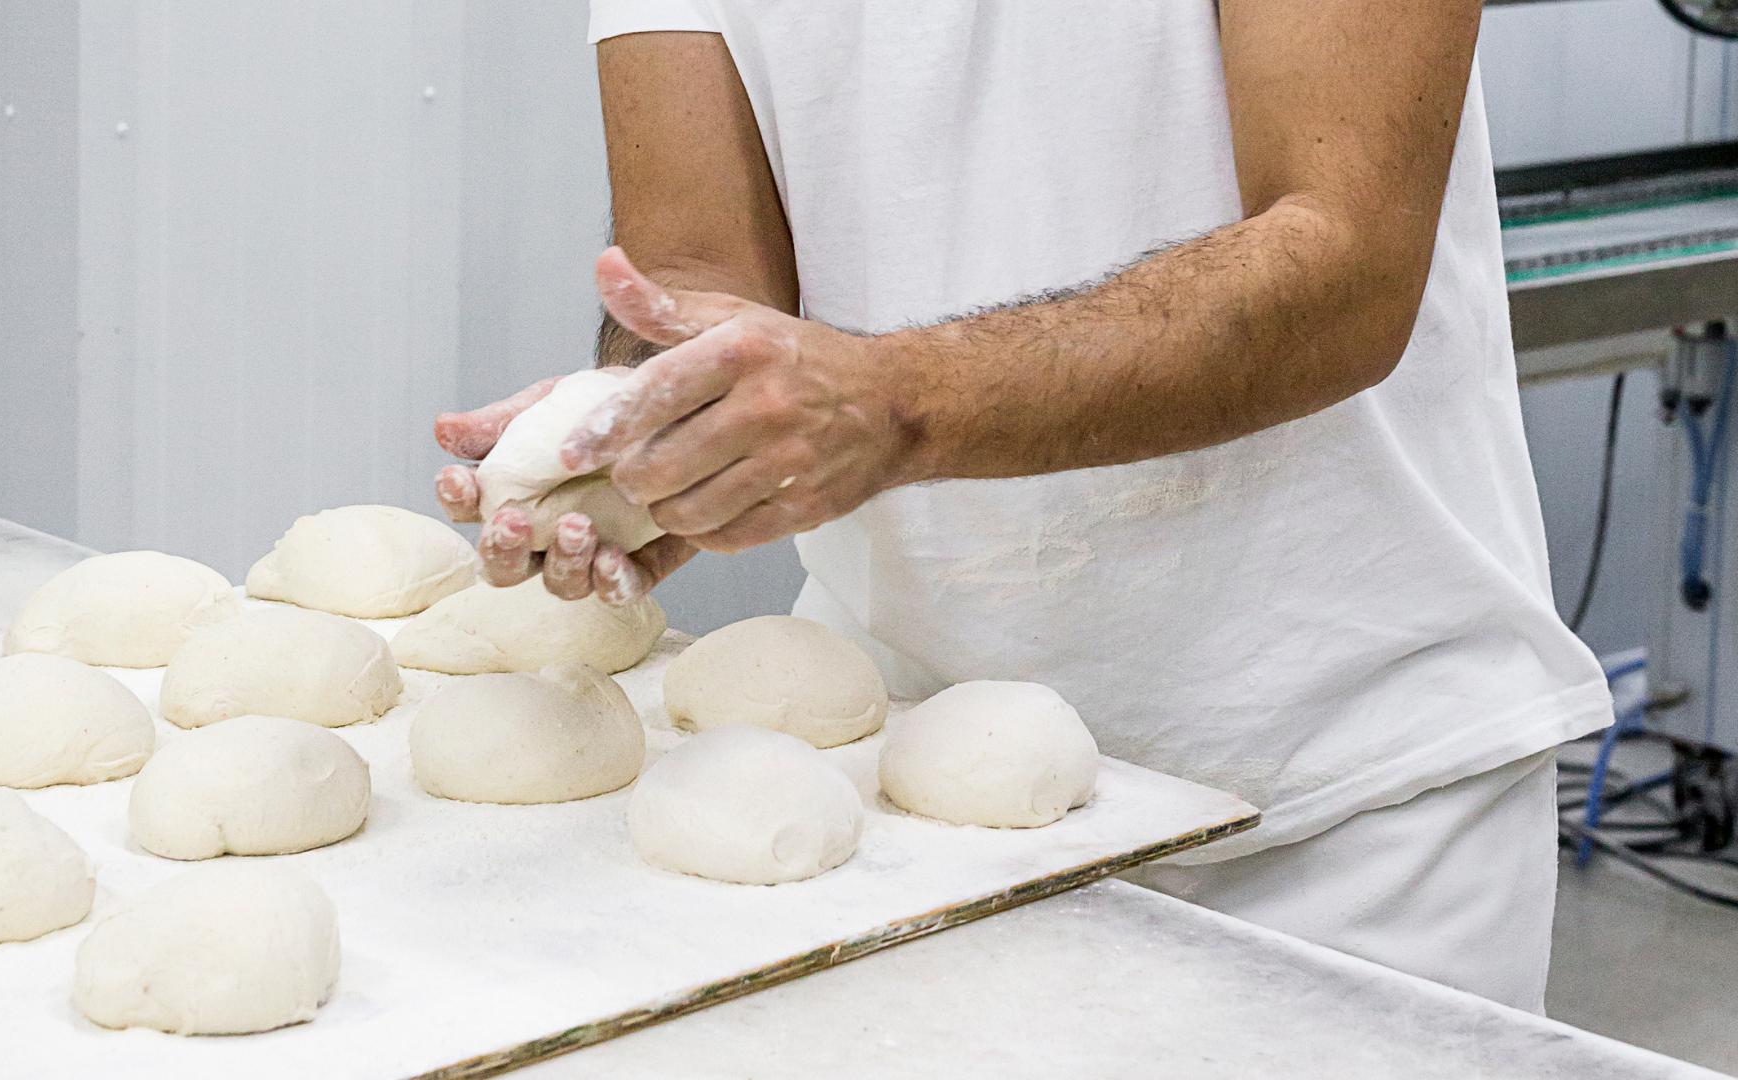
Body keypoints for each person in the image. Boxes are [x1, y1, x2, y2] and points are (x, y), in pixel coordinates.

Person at [433, 1, 1611, 1012]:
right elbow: (693, 269)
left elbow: (1344, 261)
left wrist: (892, 405)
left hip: (1341, 792)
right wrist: (645, 416)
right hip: (896, 780)